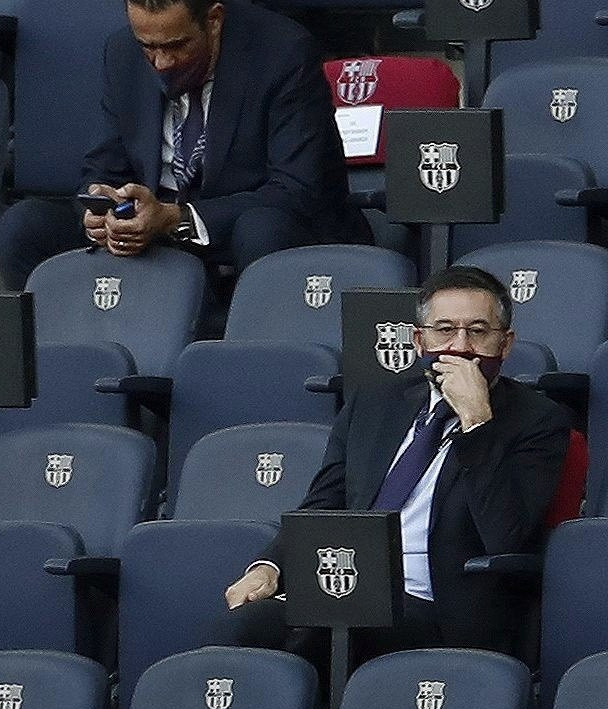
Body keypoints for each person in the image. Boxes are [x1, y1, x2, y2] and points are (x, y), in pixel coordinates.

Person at [225, 265, 573, 657]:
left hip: (440, 608)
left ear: (505, 344)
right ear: (419, 341)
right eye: (444, 330)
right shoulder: (374, 405)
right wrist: (269, 568)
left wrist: (477, 422)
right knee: (242, 625)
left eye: (478, 332)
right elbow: (324, 507)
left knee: (325, 633)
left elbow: (507, 535)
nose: (459, 347)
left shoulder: (538, 420)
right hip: (351, 587)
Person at [0, 0, 362, 288]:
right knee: (24, 226)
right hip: (155, 229)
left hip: (239, 227)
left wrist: (176, 217)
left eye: (176, 46)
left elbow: (297, 191)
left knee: (261, 229)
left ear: (214, 20)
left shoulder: (282, 53)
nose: (161, 63)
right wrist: (101, 209)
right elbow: (104, 166)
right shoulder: (123, 53)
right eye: (148, 47)